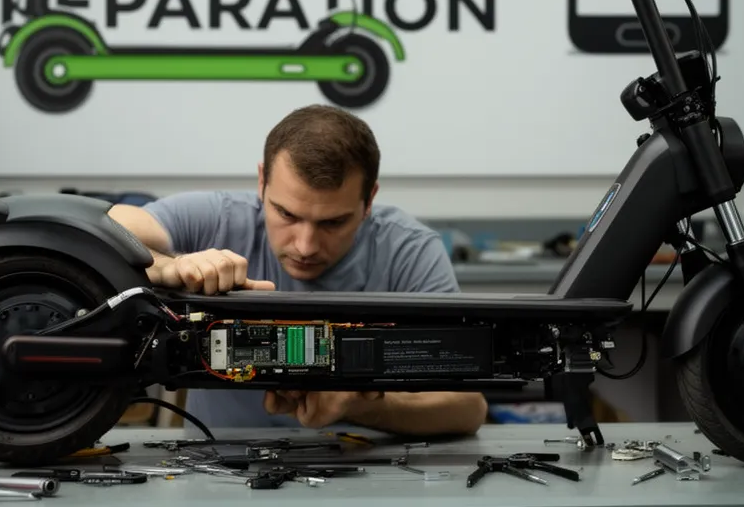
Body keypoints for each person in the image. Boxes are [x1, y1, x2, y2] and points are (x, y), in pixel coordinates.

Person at [108, 104, 487, 437]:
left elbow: (468, 408)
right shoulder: (218, 220)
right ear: (261, 182)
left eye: (333, 223)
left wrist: (361, 406)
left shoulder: (409, 250)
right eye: (287, 214)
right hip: (217, 471)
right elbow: (106, 228)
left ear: (369, 200)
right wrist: (171, 266)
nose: (305, 246)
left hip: (368, 474)